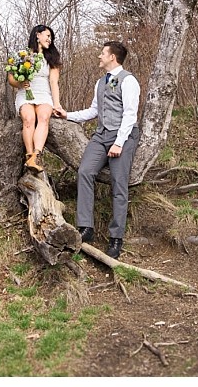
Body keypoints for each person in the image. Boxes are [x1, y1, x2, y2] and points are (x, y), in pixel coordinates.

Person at [53, 41, 140, 259]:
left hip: (123, 135)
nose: (99, 57)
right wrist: (68, 115)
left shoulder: (129, 81)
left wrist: (119, 142)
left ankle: (116, 237)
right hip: (101, 136)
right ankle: (86, 228)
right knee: (84, 172)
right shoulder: (100, 82)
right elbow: (93, 110)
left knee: (119, 183)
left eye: (102, 53)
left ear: (113, 57)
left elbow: (130, 115)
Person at [8, 24, 63, 173]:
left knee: (44, 117)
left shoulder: (52, 58)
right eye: (48, 36)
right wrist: (20, 82)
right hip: (25, 94)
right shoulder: (22, 55)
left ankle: (36, 155)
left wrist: (57, 105)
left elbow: (53, 82)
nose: (50, 40)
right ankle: (29, 155)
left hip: (44, 94)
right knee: (29, 118)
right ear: (37, 35)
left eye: (51, 37)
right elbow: (11, 79)